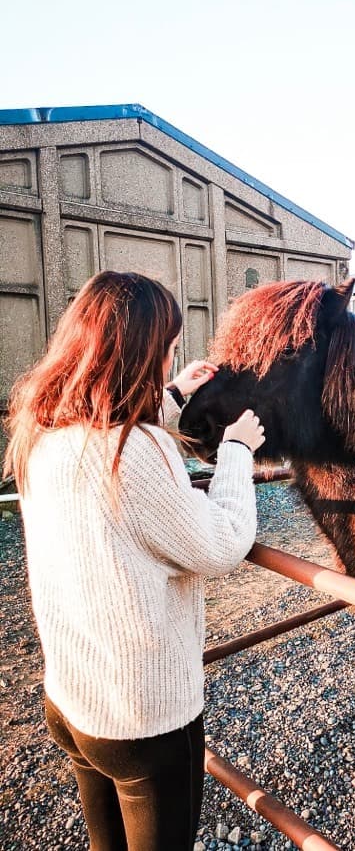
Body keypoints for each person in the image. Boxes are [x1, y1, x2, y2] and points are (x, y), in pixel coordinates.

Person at [3, 270, 265, 851]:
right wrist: (238, 453)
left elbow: (117, 435)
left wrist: (173, 394)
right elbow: (222, 542)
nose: (172, 360)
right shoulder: (136, 453)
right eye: (168, 350)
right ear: (139, 353)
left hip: (73, 702)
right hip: (143, 722)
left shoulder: (44, 432)